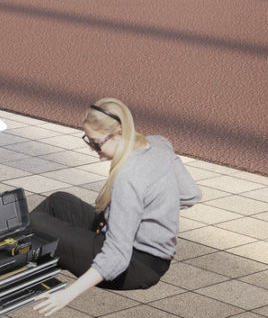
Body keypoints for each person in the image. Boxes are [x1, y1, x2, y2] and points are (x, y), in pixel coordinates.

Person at [28, 99, 201, 314]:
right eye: (87, 140)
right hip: (141, 253)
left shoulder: (128, 177)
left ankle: (23, 264)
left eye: (96, 142)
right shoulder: (158, 143)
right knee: (59, 201)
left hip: (136, 266)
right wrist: (150, 216)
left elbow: (116, 256)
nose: (92, 148)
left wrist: (66, 295)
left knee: (35, 223)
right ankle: (32, 264)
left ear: (118, 134)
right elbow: (190, 194)